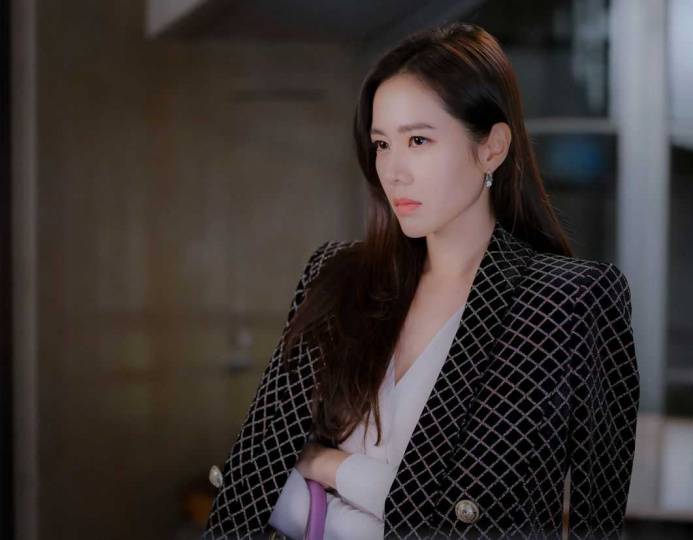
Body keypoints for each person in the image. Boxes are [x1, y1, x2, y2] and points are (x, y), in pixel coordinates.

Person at [202, 21, 639, 540]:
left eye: (418, 140)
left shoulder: (562, 302)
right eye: (382, 144)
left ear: (492, 147)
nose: (394, 171)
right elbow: (254, 479)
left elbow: (535, 518)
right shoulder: (337, 275)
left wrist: (326, 465)